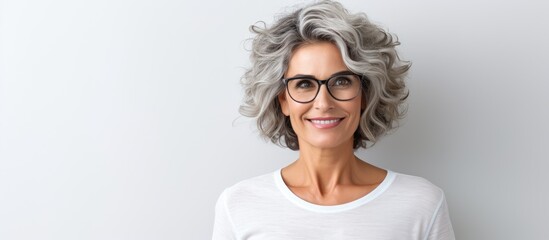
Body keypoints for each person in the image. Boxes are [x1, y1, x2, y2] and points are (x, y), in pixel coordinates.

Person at [213, 1, 455, 239]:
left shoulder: (421, 204)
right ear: (283, 100)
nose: (323, 103)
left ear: (365, 94)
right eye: (304, 84)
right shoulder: (239, 205)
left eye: (341, 81)